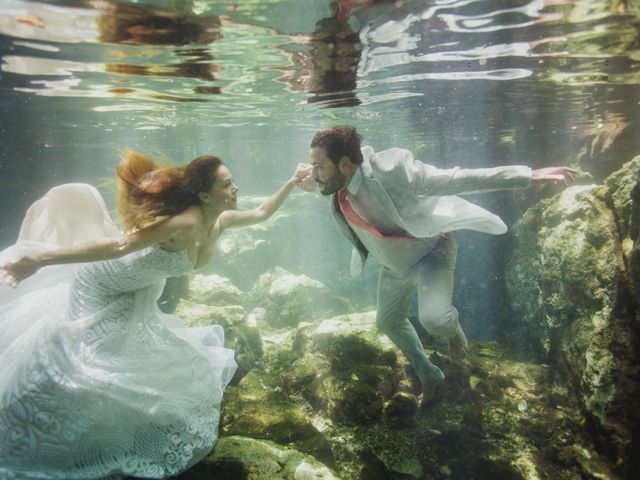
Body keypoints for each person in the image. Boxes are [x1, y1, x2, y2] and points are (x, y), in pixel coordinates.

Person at [0, 150, 312, 479]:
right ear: (205, 195)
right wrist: (40, 259)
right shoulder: (186, 222)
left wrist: (292, 181)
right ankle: (34, 428)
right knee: (80, 360)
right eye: (227, 184)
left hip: (139, 289)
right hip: (102, 282)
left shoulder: (218, 221)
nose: (235, 189)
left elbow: (263, 212)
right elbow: (120, 246)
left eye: (233, 182)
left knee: (128, 364)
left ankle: (105, 434)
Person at [308, 125, 576, 407]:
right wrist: (305, 177)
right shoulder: (335, 182)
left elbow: (454, 179)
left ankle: (453, 328)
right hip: (393, 266)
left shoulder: (393, 171)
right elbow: (321, 181)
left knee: (435, 320)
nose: (314, 176)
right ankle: (429, 373)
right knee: (387, 322)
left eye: (319, 168)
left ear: (346, 164)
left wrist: (528, 176)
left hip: (430, 255)